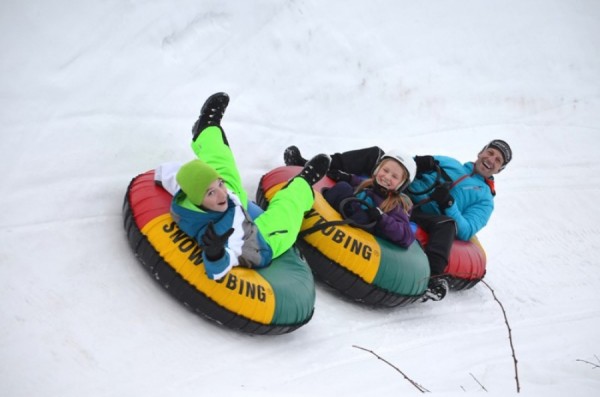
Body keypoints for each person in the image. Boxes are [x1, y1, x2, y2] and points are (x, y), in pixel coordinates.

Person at [283, 139, 512, 301]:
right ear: (481, 152)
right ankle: (314, 167)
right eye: (490, 153)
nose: (491, 159)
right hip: (399, 190)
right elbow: (403, 167)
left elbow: (466, 229)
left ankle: (430, 277)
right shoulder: (449, 162)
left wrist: (449, 205)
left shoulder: (484, 200)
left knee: (447, 225)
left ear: (500, 169)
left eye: (497, 159)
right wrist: (419, 163)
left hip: (425, 214)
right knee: (376, 154)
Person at [155, 92, 331, 280]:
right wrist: (215, 254)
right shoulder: (219, 234)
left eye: (218, 186)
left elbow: (175, 177)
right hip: (257, 241)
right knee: (287, 213)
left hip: (233, 205)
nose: (220, 194)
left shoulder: (198, 195)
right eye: (211, 193)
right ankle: (303, 183)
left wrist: (161, 175)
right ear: (198, 200)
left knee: (222, 167)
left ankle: (206, 130)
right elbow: (217, 270)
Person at [321, 150, 416, 248]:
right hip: (348, 210)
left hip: (358, 232)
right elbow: (359, 182)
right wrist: (347, 177)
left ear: (401, 184)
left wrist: (382, 217)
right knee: (343, 187)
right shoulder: (370, 184)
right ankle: (316, 212)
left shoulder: (396, 205)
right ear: (377, 169)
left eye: (394, 176)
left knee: (364, 216)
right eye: (385, 170)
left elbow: (406, 236)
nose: (387, 177)